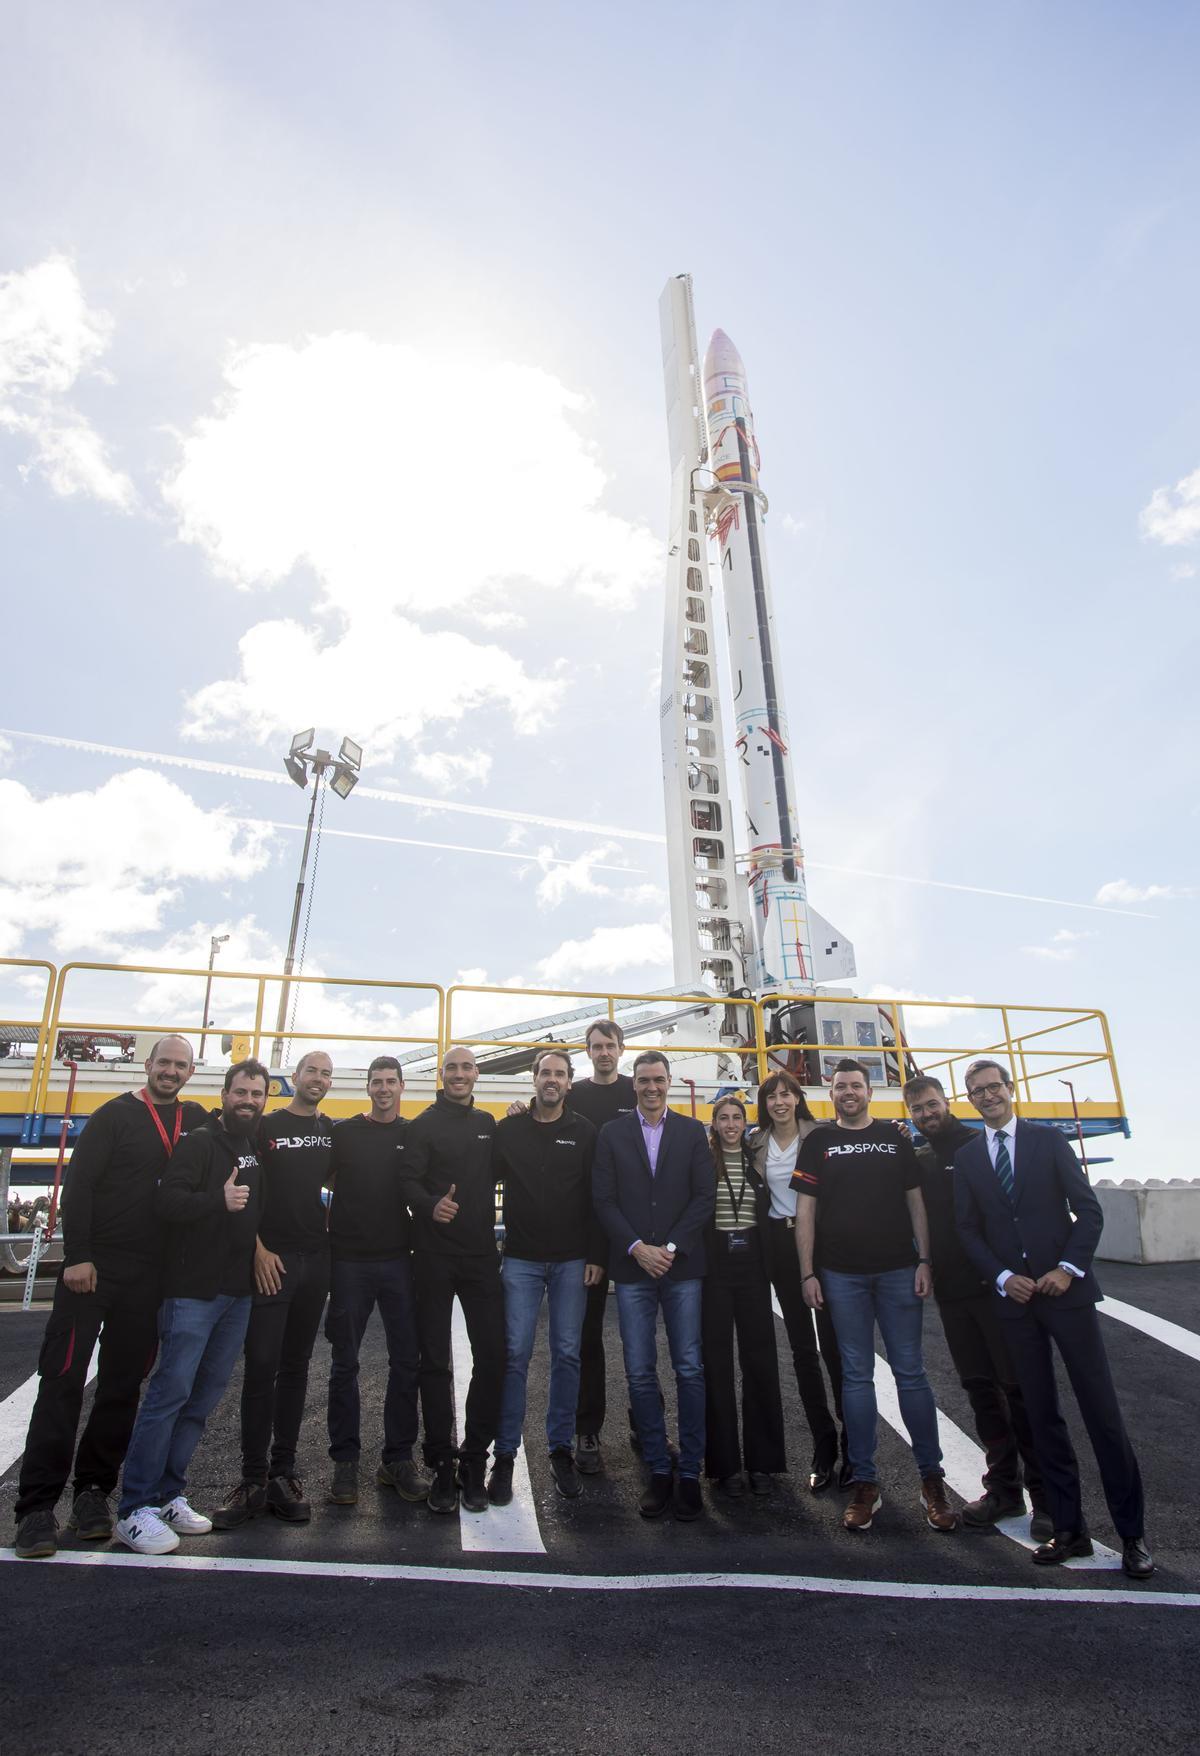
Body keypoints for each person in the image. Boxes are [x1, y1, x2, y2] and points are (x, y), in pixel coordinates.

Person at [954, 1059, 1154, 1579]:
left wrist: (1067, 1269)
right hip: (1015, 1303)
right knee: (1041, 1417)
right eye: (977, 1091)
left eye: (993, 1087)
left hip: (1065, 1294)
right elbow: (968, 1230)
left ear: (1010, 1089)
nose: (987, 1096)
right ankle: (1069, 1529)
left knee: (1101, 1412)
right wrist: (1002, 1277)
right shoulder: (970, 1157)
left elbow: (1088, 1210)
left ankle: (1133, 1536)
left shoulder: (1048, 1142)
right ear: (969, 1099)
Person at [13, 1036, 207, 1561]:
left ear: (192, 1071)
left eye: (180, 1064)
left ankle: (93, 1495)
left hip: (149, 1279)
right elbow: (80, 1186)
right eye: (163, 1062)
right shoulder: (113, 1115)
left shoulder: (196, 1118)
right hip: (92, 1271)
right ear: (148, 1066)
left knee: (122, 1389)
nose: (170, 1071)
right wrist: (77, 1254)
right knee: (62, 1384)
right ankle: (35, 1508)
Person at [795, 1058, 957, 1536]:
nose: (848, 1092)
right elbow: (806, 1211)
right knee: (856, 1378)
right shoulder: (819, 1141)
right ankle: (865, 1482)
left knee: (911, 1374)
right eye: (841, 1086)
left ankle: (932, 1481)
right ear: (831, 1091)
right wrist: (807, 1271)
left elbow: (915, 1202)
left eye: (856, 1086)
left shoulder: (894, 1138)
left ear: (870, 1091)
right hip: (841, 1274)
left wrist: (924, 1259)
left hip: (897, 1272)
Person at [114, 1059, 268, 1555]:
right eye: (240, 1092)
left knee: (200, 1402)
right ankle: (133, 1508)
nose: (248, 1100)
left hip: (237, 1294)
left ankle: (168, 1495)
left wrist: (260, 1246)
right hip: (193, 1293)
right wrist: (215, 1201)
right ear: (223, 1094)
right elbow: (168, 1204)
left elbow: (252, 1215)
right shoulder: (199, 1143)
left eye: (256, 1094)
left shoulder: (251, 1148)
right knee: (168, 1396)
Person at [903, 1073, 1052, 1541]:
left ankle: (1046, 1497)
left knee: (1018, 1390)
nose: (927, 1115)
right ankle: (1003, 1489)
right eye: (918, 1111)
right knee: (980, 1390)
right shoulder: (919, 1157)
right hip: (953, 1290)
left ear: (947, 1102)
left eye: (931, 1105)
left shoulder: (976, 1143)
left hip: (996, 1287)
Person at [212, 1050, 336, 1530]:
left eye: (326, 1074)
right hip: (272, 1262)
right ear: (296, 1078)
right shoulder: (265, 1125)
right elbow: (243, 1187)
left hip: (315, 1261)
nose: (318, 1079)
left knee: (296, 1368)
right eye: (312, 1071)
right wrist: (258, 1249)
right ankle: (252, 1479)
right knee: (261, 1365)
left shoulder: (332, 1132)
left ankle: (284, 1474)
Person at [591, 1050, 715, 1520]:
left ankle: (690, 1475)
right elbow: (603, 1199)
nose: (651, 1087)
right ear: (634, 1084)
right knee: (640, 1371)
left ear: (668, 1083)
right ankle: (659, 1470)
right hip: (633, 1267)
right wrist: (637, 1247)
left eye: (659, 1079)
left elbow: (704, 1194)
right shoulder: (612, 1134)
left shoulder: (689, 1131)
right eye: (643, 1080)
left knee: (688, 1367)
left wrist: (673, 1247)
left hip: (681, 1266)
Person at [489, 1048, 605, 1505]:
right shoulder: (509, 1130)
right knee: (515, 1355)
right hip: (520, 1258)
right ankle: (504, 1455)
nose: (551, 1080)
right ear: (533, 1079)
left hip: (573, 1259)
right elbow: (481, 1177)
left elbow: (599, 1196)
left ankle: (560, 1449)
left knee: (567, 1355)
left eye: (559, 1073)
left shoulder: (585, 1132)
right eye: (545, 1073)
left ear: (569, 1083)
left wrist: (597, 1253)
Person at [400, 1045, 506, 1516]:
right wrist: (428, 1206)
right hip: (434, 1256)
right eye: (451, 1069)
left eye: (466, 1067)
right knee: (434, 1361)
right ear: (441, 1076)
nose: (459, 1074)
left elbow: (507, 1168)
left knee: (493, 1357)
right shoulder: (422, 1124)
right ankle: (442, 1460)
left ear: (477, 1074)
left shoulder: (488, 1125)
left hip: (481, 1256)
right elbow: (406, 1182)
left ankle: (473, 1459)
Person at [320, 1056, 428, 1511]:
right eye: (376, 1082)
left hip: (397, 1261)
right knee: (345, 1364)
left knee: (407, 1362)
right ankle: (345, 1461)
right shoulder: (342, 1133)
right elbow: (318, 1176)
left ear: (402, 1086)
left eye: (391, 1082)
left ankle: (397, 1459)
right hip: (348, 1262)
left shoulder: (413, 1133)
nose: (384, 1088)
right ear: (367, 1087)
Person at [745, 1070, 846, 1491]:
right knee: (803, 1350)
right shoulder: (756, 1142)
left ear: (798, 1098)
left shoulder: (820, 1135)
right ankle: (824, 1447)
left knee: (837, 1347)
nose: (779, 1102)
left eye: (786, 1094)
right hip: (779, 1247)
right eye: (772, 1096)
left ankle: (853, 1444)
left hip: (820, 1245)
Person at [702, 1096, 786, 1497]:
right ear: (714, 1123)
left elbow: (803, 1138)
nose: (731, 1124)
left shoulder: (759, 1160)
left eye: (737, 1117)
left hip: (753, 1265)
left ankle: (763, 1464)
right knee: (715, 1364)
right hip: (715, 1268)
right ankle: (724, 1467)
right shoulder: (704, 1162)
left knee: (760, 1362)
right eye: (724, 1118)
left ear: (746, 1122)